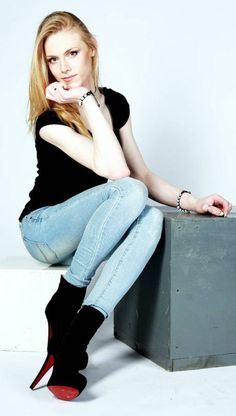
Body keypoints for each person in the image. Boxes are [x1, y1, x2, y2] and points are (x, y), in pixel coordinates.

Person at [19, 10, 232, 401]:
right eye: (52, 60)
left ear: (91, 51)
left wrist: (194, 200)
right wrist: (83, 99)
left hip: (91, 228)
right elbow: (117, 172)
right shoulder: (50, 118)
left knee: (149, 212)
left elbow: (143, 176)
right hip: (45, 228)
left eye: (71, 54)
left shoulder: (114, 103)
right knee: (129, 192)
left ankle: (75, 338)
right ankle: (66, 301)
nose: (63, 68)